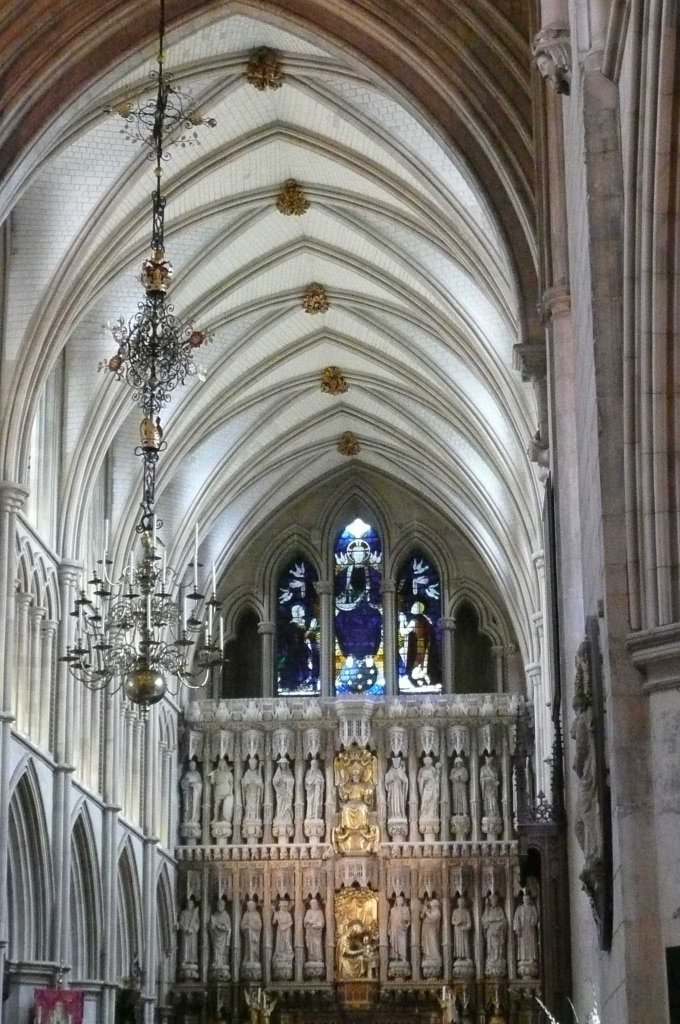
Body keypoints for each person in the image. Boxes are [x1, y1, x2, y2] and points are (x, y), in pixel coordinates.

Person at [208, 757, 233, 823]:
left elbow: (231, 783)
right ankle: (215, 818)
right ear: (219, 765)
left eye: (223, 764)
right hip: (218, 790)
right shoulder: (216, 773)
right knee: (216, 805)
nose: (221, 765)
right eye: (220, 764)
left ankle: (226, 819)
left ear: (225, 764)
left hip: (226, 789)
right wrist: (212, 776)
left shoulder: (229, 773)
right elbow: (212, 782)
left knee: (226, 804)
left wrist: (230, 791)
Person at [209, 896, 231, 971]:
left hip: (223, 937)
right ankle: (216, 961)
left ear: (224, 906)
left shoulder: (226, 915)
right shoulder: (214, 915)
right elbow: (211, 927)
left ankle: (222, 962)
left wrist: (222, 927)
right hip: (216, 936)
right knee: (216, 949)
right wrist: (213, 925)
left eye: (221, 905)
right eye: (218, 905)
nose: (219, 907)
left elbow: (228, 928)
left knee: (222, 950)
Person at [385, 754, 409, 821]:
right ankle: (393, 814)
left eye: (397, 762)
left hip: (399, 788)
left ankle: (400, 814)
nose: (395, 764)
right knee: (393, 801)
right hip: (392, 788)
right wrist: (390, 779)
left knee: (399, 801)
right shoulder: (390, 770)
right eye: (394, 762)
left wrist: (402, 779)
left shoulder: (401, 770)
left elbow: (406, 780)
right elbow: (386, 781)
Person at [272, 756, 294, 826]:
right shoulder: (278, 773)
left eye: (284, 764)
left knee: (287, 805)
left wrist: (286, 780)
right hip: (280, 792)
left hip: (287, 792)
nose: (283, 765)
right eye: (282, 764)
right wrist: (278, 782)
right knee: (280, 804)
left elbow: (292, 781)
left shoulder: (289, 772)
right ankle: (280, 817)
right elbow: (274, 781)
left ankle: (287, 817)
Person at [420, 896, 442, 966]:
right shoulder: (430, 911)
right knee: (427, 944)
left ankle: (434, 957)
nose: (431, 906)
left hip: (432, 931)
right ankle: (428, 956)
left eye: (432, 905)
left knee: (433, 943)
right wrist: (424, 910)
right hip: (426, 930)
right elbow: (421, 916)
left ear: (435, 905)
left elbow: (433, 919)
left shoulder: (437, 912)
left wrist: (426, 912)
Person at [418, 755, 440, 822]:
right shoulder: (422, 769)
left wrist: (437, 774)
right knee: (424, 800)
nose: (427, 762)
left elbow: (436, 779)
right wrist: (423, 779)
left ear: (431, 761)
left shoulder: (433, 769)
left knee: (433, 801)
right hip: (425, 787)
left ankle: (432, 814)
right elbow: (419, 779)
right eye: (426, 761)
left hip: (432, 786)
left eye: (428, 761)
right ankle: (424, 814)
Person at [388, 894, 410, 962]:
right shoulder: (392, 910)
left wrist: (403, 915)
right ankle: (396, 957)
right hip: (394, 929)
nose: (399, 901)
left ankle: (403, 957)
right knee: (395, 943)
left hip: (402, 929)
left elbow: (408, 919)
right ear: (396, 901)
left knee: (402, 943)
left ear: (403, 901)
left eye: (401, 900)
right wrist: (389, 929)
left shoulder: (406, 909)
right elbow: (390, 920)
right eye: (398, 900)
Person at [180, 758, 202, 825]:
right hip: (188, 794)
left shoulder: (197, 774)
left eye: (193, 765)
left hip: (195, 793)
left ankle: (194, 819)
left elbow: (200, 784)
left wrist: (195, 785)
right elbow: (182, 783)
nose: (192, 767)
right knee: (187, 806)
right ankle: (187, 819)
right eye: (191, 765)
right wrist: (188, 784)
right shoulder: (187, 774)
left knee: (194, 807)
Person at [241, 755, 263, 822]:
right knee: (249, 804)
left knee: (255, 804)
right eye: (251, 764)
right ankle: (248, 816)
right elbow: (244, 783)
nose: (252, 766)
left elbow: (261, 783)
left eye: (254, 764)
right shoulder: (247, 773)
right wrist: (247, 782)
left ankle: (255, 816)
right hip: (249, 792)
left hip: (256, 792)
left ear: (256, 765)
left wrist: (258, 783)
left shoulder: (258, 773)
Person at [241, 899, 262, 967]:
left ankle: (255, 959)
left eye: (251, 906)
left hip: (255, 935)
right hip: (248, 935)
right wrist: (248, 927)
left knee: (255, 948)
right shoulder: (246, 915)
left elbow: (259, 925)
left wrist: (254, 927)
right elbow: (242, 925)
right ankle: (249, 959)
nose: (249, 907)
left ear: (254, 906)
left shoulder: (257, 914)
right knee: (248, 948)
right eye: (248, 906)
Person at [303, 898, 325, 963]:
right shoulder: (308, 911)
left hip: (317, 931)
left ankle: (319, 958)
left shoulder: (319, 912)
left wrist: (318, 924)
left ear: (317, 904)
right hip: (310, 931)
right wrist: (309, 921)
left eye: (315, 904)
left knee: (317, 944)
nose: (314, 905)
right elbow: (305, 921)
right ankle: (311, 958)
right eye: (312, 904)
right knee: (310, 945)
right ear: (311, 905)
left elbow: (322, 921)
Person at [451, 895, 473, 961]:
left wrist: (466, 927)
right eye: (459, 902)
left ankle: (467, 956)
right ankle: (459, 956)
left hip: (464, 929)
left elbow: (469, 922)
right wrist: (457, 922)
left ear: (464, 903)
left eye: (462, 902)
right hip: (457, 929)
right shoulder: (455, 911)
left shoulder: (466, 911)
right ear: (458, 903)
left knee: (465, 943)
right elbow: (452, 920)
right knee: (458, 943)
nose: (461, 903)